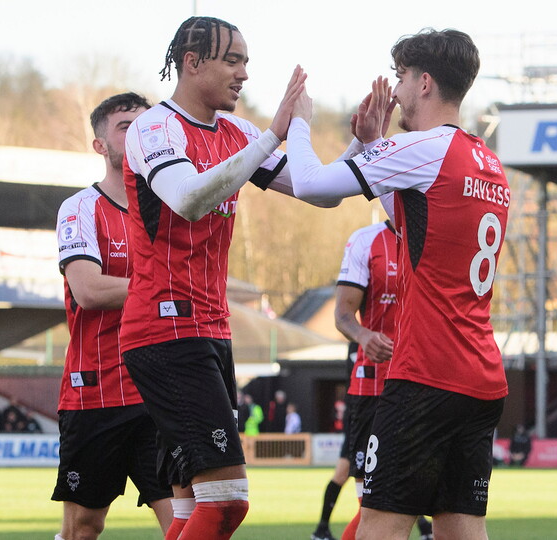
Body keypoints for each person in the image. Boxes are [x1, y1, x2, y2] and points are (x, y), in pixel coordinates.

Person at [282, 28, 510, 540]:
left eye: (402, 77)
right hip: (479, 378)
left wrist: (299, 125)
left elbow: (312, 186)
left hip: (426, 374)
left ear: (424, 82)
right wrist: (371, 143)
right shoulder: (488, 162)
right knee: (462, 529)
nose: (398, 89)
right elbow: (409, 218)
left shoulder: (422, 148)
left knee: (379, 528)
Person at [119, 16, 340, 540]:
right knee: (228, 502)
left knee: (193, 503)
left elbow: (319, 192)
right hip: (165, 329)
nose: (244, 73)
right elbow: (189, 199)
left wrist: (361, 146)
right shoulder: (155, 128)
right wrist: (271, 136)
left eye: (246, 61)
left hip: (210, 332)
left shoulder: (236, 132)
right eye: (233, 60)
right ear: (192, 63)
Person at [52, 92, 172, 540]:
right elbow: (88, 290)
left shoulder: (170, 208)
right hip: (96, 391)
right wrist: (162, 290)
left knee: (184, 517)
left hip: (157, 390)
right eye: (125, 126)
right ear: (100, 145)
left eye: (144, 124)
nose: (137, 132)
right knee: (85, 525)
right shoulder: (81, 208)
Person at [312, 220, 432, 540]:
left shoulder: (434, 235)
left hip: (421, 385)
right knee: (371, 500)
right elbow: (342, 314)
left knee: (417, 492)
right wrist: (364, 336)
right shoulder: (366, 241)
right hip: (372, 386)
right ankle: (322, 528)